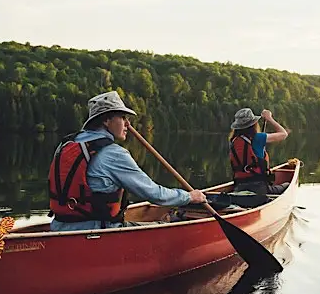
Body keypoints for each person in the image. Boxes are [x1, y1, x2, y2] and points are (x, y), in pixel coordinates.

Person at [48, 91, 206, 231]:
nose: (128, 124)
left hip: (57, 227)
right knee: (166, 226)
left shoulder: (66, 145)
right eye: (122, 117)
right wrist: (189, 197)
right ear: (107, 121)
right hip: (99, 231)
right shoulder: (113, 153)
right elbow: (154, 194)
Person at [228, 107, 290, 195]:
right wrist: (269, 118)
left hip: (239, 187)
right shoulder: (258, 137)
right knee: (287, 185)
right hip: (259, 189)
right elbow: (284, 134)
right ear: (254, 124)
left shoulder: (233, 141)